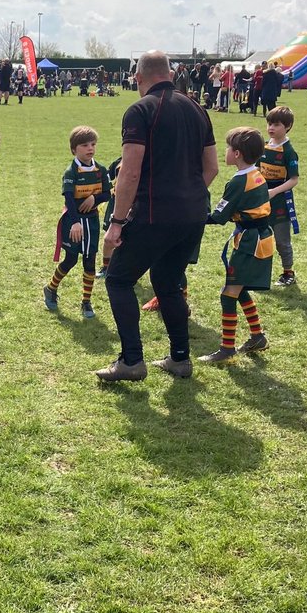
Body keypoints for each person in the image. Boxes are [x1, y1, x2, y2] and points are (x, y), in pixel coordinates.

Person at [97, 50, 218, 382]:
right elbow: (212, 168)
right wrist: (187, 196)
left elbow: (130, 173)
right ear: (171, 73)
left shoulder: (140, 110)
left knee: (119, 279)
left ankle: (131, 360)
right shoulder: (198, 108)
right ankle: (180, 358)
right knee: (167, 282)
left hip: (154, 212)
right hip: (193, 213)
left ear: (138, 78)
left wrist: (117, 222)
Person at [198, 126, 273, 364]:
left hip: (250, 242)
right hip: (260, 237)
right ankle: (257, 336)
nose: (226, 151)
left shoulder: (238, 182)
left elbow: (219, 217)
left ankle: (227, 348)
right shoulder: (256, 173)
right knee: (239, 289)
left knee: (228, 294)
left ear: (237, 154)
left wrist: (192, 216)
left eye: (228, 148)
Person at [43, 126, 111, 320]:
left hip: (92, 222)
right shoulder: (71, 171)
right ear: (74, 149)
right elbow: (69, 199)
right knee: (71, 259)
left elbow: (107, 192)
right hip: (73, 221)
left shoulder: (101, 170)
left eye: (93, 144)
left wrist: (94, 200)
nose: (90, 148)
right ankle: (50, 288)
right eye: (84, 145)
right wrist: (74, 223)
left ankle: (86, 301)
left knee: (90, 261)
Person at [259, 106, 302, 287]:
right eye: (269, 123)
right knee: (259, 237)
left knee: (282, 241)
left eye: (276, 124)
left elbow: (294, 179)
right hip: (261, 200)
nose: (271, 128)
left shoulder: (289, 151)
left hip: (280, 202)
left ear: (288, 126)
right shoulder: (263, 146)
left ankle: (288, 272)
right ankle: (258, 273)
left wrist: (275, 191)